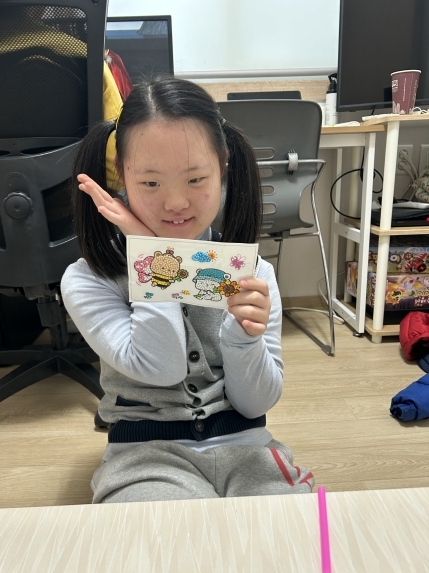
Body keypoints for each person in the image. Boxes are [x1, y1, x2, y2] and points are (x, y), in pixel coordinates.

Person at [61, 76, 314, 503]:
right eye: (151, 183)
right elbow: (161, 368)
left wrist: (243, 338)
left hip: (247, 446)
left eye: (196, 179)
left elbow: (256, 404)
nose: (175, 203)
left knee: (293, 532)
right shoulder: (89, 278)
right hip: (143, 453)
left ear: (222, 164)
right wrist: (153, 254)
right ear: (121, 173)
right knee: (170, 539)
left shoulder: (253, 273)